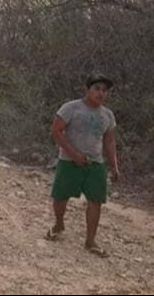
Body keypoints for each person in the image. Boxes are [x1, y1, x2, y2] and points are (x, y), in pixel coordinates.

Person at [47, 74, 120, 258]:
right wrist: (74, 155)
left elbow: (109, 142)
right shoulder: (71, 108)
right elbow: (56, 131)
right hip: (69, 161)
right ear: (87, 90)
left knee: (96, 201)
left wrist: (114, 166)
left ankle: (90, 241)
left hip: (95, 163)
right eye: (97, 88)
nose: (101, 93)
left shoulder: (108, 115)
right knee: (60, 197)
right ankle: (58, 224)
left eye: (104, 90)